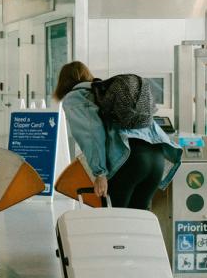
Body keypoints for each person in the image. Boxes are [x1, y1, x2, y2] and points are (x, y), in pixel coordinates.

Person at [54, 61, 182, 210]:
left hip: (129, 160)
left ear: (63, 82)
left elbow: (92, 134)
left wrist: (100, 173)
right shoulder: (108, 93)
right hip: (156, 158)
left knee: (116, 220)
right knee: (138, 221)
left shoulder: (77, 98)